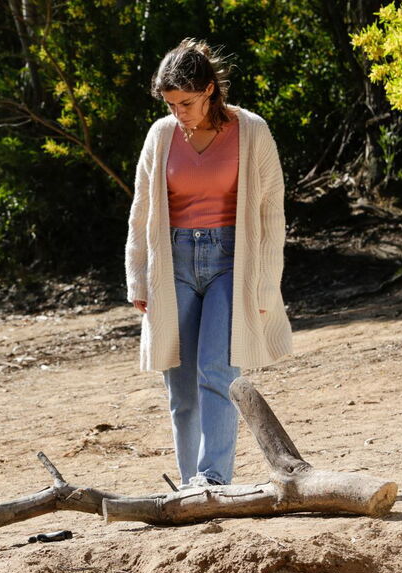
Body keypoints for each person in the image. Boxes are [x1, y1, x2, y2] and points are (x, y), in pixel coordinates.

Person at [124, 38, 292, 488]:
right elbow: (142, 208)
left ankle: (213, 478)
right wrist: (137, 277)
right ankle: (189, 485)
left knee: (218, 370)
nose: (179, 113)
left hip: (229, 262)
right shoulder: (160, 136)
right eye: (171, 104)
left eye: (187, 102)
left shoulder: (251, 130)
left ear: (210, 91)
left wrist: (264, 286)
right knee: (179, 385)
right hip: (172, 263)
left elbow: (270, 210)